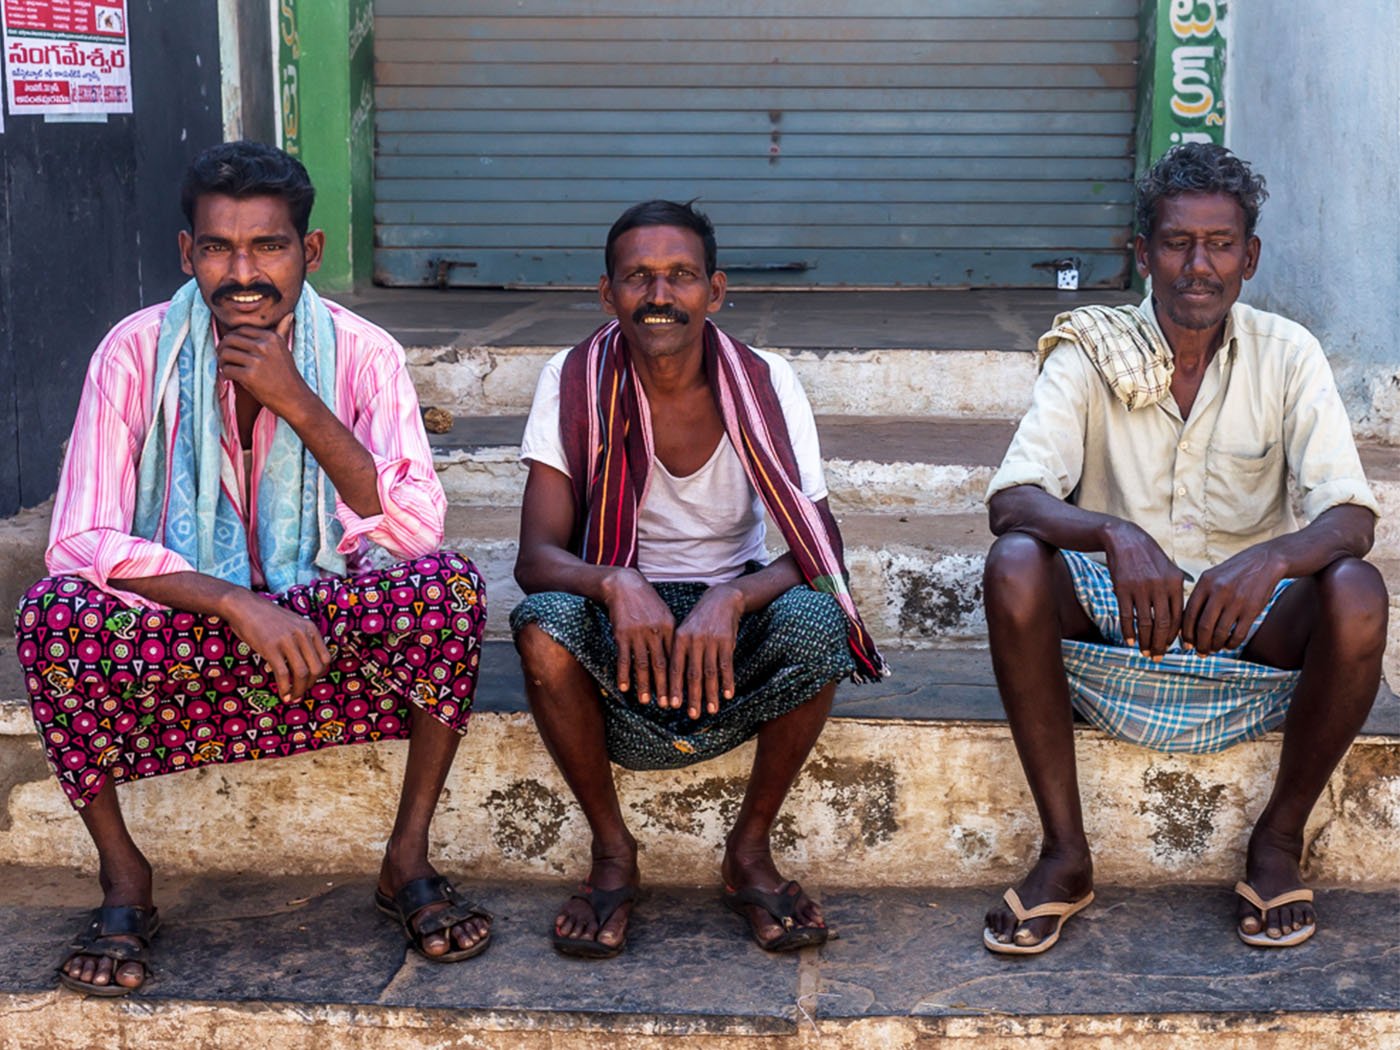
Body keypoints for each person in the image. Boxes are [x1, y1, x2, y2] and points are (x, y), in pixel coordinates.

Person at [14, 141, 492, 994]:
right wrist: (235, 601)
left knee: (449, 593)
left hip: (320, 615)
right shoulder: (134, 351)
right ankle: (125, 879)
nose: (242, 273)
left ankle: (405, 859)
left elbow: (416, 530)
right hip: (190, 620)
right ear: (185, 252)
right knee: (52, 616)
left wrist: (295, 398)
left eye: (267, 246)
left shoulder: (363, 353)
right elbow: (78, 538)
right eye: (217, 248)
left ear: (307, 252)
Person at [980, 143, 1386, 955]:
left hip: (1248, 629)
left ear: (1250, 257)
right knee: (1015, 563)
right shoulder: (1092, 349)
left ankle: (1276, 840)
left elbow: (1352, 515)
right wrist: (1112, 533)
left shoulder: (1287, 352)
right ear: (1143, 253)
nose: (1198, 266)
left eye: (1221, 244)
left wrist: (1273, 559)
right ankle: (1065, 854)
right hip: (1121, 627)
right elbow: (1013, 499)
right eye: (1176, 243)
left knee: (1357, 590)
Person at [510, 200, 886, 958]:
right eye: (638, 278)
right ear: (607, 294)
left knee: (820, 623)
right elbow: (536, 558)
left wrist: (734, 595)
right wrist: (615, 583)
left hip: (728, 613)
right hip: (624, 619)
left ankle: (748, 851)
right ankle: (613, 852)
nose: (659, 296)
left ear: (714, 292)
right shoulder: (574, 378)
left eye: (679, 276)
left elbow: (820, 544)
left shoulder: (765, 380)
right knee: (544, 628)